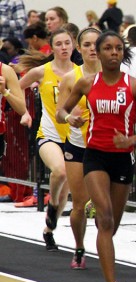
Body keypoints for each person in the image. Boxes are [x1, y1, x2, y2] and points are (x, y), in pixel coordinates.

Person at [57, 31, 136, 282]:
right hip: (95, 156)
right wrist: (70, 118)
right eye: (108, 48)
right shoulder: (86, 83)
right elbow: (62, 111)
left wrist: (131, 140)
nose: (113, 53)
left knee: (112, 225)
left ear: (123, 53)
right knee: (106, 219)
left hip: (122, 159)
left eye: (118, 49)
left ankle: (98, 215)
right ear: (97, 53)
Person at [18, 28, 78, 251]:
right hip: (49, 135)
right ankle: (51, 203)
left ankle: (49, 230)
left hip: (74, 139)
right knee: (60, 171)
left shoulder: (80, 74)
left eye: (67, 43)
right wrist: (24, 111)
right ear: (51, 48)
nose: (63, 47)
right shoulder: (41, 72)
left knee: (64, 191)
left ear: (73, 47)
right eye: (59, 44)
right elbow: (17, 88)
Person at [55, 27, 102, 270]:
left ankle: (105, 247)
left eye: (96, 44)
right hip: (78, 145)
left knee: (107, 206)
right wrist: (69, 118)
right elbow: (60, 112)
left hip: (105, 148)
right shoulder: (72, 79)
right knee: (80, 205)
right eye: (87, 45)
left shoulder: (116, 76)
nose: (92, 49)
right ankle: (79, 246)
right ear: (79, 48)